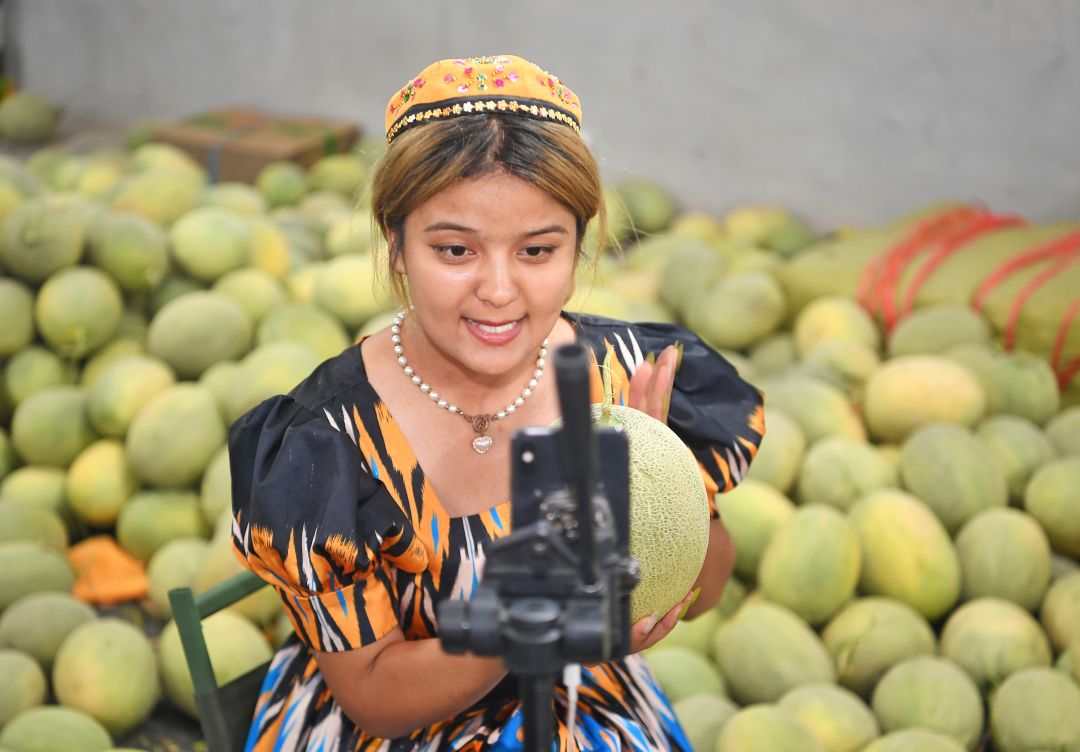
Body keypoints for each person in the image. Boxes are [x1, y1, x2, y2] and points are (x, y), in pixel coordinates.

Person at [229, 54, 765, 751]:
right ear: (396, 245)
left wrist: (663, 490)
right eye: (456, 251)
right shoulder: (322, 443)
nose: (500, 290)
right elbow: (374, 699)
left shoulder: (627, 377)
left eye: (538, 252)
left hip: (583, 705)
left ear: (580, 246)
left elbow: (711, 585)